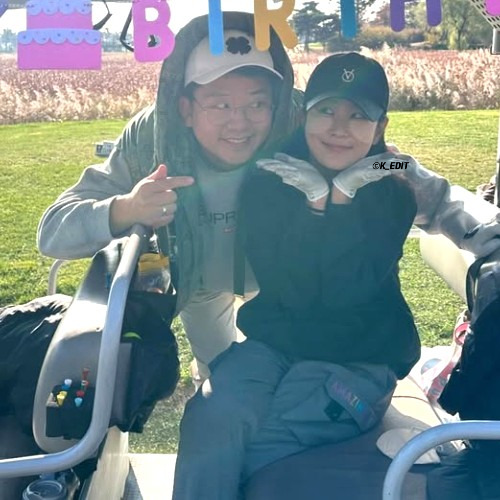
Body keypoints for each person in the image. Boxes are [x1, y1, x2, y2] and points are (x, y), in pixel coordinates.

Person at [37, 11, 500, 384]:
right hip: (203, 283)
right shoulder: (151, 139)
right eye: (220, 103)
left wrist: (472, 227)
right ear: (185, 107)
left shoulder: (308, 117)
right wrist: (126, 209)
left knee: (286, 390)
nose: (240, 122)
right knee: (219, 382)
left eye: (257, 102)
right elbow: (53, 230)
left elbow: (401, 169)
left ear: (277, 100)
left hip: (291, 282)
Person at [171, 52, 420, 500]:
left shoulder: (392, 192)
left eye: (358, 116)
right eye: (326, 110)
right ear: (304, 116)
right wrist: (313, 205)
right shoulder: (272, 178)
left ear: (380, 127)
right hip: (278, 343)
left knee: (266, 447)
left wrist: (341, 199)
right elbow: (294, 292)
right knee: (210, 420)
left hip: (360, 355)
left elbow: (345, 294)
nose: (339, 128)